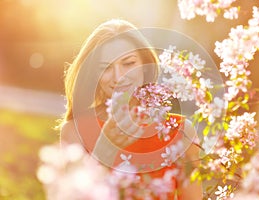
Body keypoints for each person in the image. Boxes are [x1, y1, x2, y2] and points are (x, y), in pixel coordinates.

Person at [60, 19, 203, 199]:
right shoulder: (75, 131)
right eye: (106, 68)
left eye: (128, 63)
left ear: (146, 65)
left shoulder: (181, 132)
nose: (119, 77)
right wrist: (105, 149)